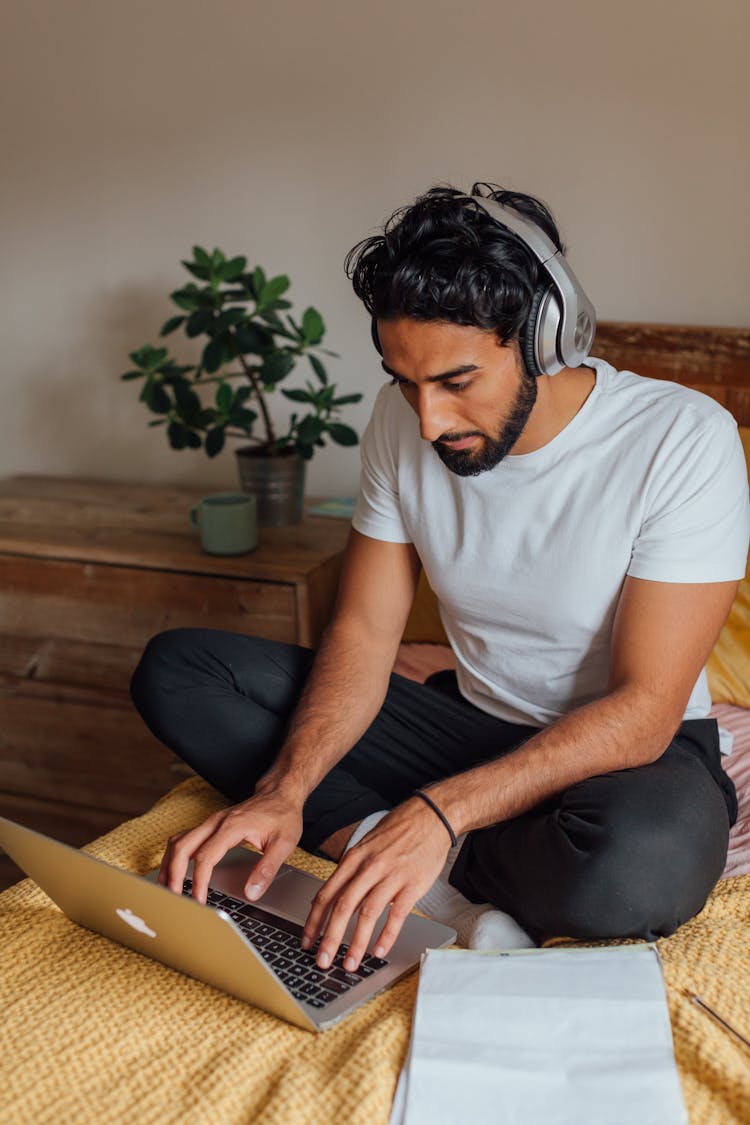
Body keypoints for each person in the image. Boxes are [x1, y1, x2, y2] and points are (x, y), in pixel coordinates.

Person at [130, 182, 749, 979]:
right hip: (467, 723)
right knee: (181, 669)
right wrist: (287, 788)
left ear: (544, 337)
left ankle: (397, 839)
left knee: (639, 866)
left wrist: (439, 812)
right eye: (404, 381)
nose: (428, 422)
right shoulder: (400, 425)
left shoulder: (680, 437)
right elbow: (362, 631)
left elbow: (642, 712)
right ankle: (433, 881)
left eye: (457, 381)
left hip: (629, 752)